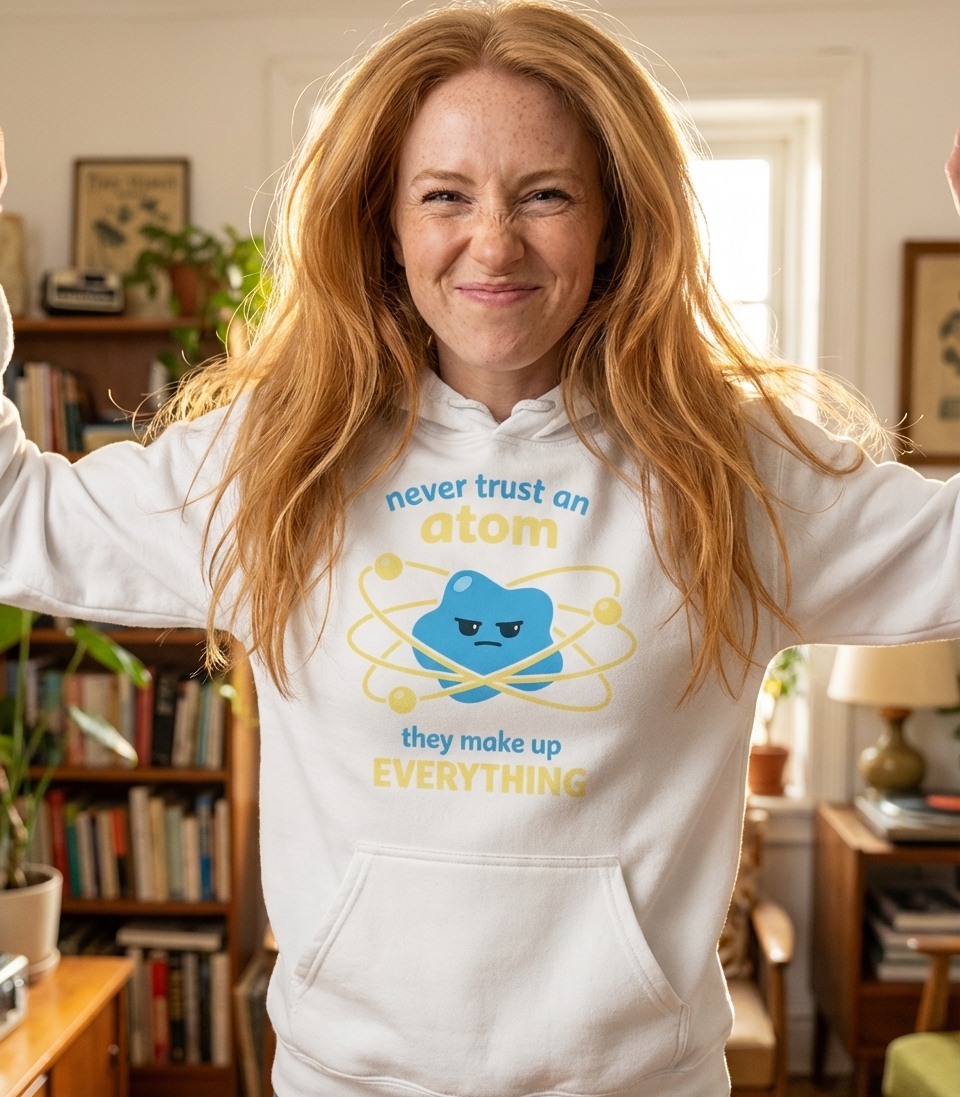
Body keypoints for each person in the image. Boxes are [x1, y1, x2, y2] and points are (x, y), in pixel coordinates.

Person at [1, 4, 959, 1094]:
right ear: (385, 224)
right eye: (444, 195)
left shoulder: (730, 467)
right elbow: (14, 519)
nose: (494, 243)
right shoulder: (279, 457)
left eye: (546, 194)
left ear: (615, 223)